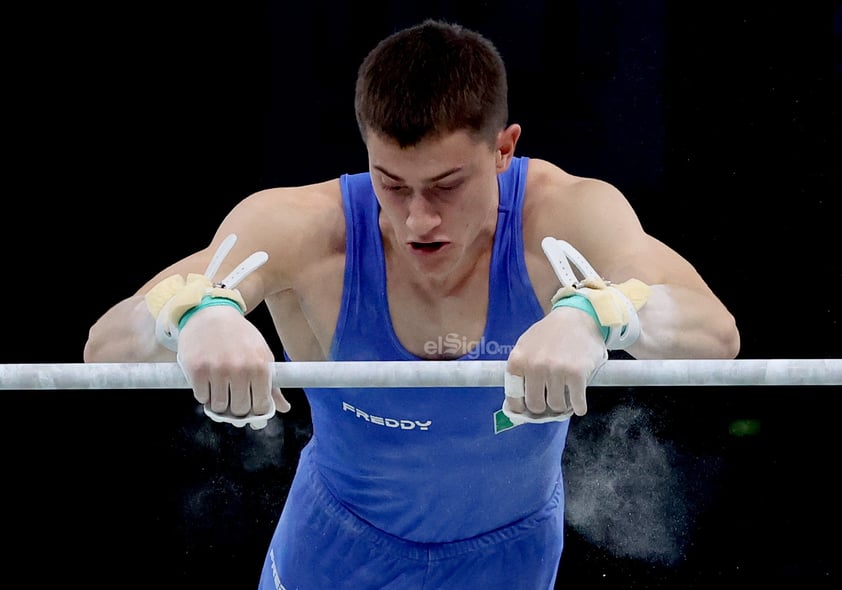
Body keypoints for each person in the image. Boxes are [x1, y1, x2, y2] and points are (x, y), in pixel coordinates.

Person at [84, 18, 740, 590]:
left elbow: (717, 336)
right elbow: (104, 347)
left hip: (507, 558)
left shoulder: (564, 217)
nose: (417, 219)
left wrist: (601, 311)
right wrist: (193, 315)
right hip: (334, 550)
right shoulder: (304, 231)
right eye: (391, 184)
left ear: (504, 149)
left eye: (446, 185)